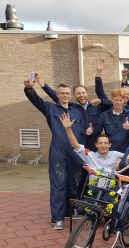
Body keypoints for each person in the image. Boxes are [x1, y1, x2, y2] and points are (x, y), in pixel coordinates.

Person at [24, 77, 86, 230]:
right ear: (57, 94)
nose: (65, 95)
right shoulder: (50, 109)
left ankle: (68, 211)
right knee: (59, 183)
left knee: (74, 183)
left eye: (67, 93)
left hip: (75, 153)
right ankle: (57, 218)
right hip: (58, 151)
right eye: (62, 93)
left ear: (70, 95)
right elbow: (35, 100)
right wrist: (29, 89)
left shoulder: (77, 111)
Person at [92, 88, 129, 153]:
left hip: (127, 151)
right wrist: (92, 130)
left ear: (124, 101)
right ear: (112, 100)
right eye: (116, 100)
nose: (118, 102)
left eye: (120, 100)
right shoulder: (104, 115)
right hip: (111, 151)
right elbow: (97, 130)